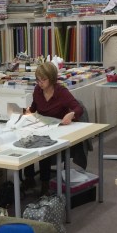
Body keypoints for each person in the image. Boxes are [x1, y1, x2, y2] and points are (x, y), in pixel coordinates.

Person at [23, 62, 87, 196]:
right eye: (38, 80)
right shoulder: (37, 90)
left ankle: (45, 183)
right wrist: (27, 112)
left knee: (43, 145)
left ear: (51, 78)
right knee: (25, 141)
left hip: (58, 128)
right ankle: (29, 178)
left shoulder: (61, 92)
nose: (40, 83)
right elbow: (34, 107)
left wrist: (71, 114)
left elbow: (78, 108)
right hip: (43, 126)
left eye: (43, 80)